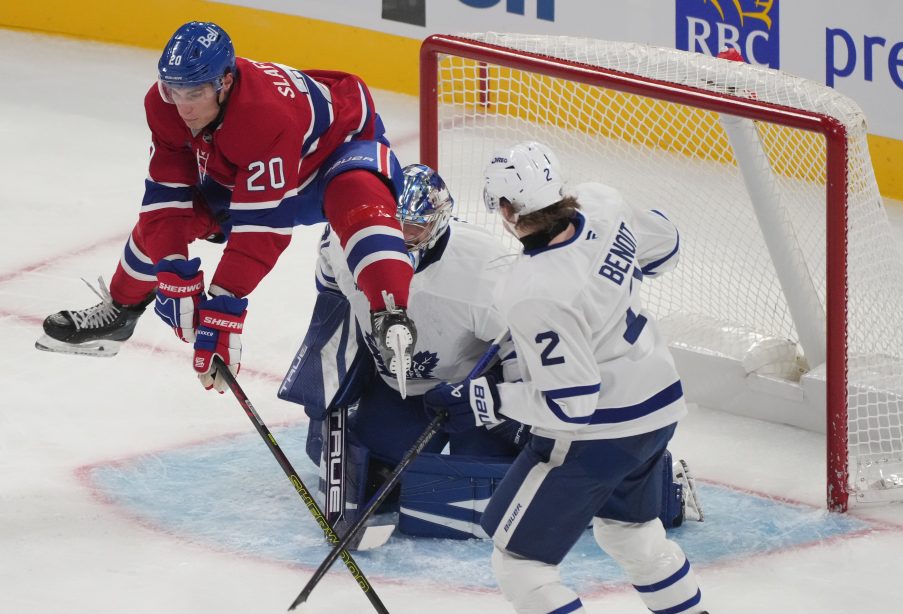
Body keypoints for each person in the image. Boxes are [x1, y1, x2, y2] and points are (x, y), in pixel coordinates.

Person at [35, 21, 416, 394]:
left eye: (195, 93)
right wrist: (172, 268)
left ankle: (391, 313)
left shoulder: (265, 115)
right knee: (168, 226)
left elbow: (263, 227)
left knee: (357, 192)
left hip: (332, 153)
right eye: (174, 91)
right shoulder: (164, 103)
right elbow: (166, 200)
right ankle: (120, 312)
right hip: (246, 159)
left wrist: (222, 307)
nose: (182, 107)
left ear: (225, 82)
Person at [424, 142, 708, 613]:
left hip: (600, 432)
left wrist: (493, 398)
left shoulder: (532, 290)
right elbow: (666, 249)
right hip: (658, 408)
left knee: (520, 564)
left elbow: (570, 405)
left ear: (508, 209)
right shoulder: (603, 202)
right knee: (633, 537)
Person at [279, 163, 528, 539]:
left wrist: (496, 401)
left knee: (486, 489)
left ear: (440, 223)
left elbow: (519, 345)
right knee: (374, 483)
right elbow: (332, 298)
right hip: (397, 384)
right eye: (390, 224)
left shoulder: (483, 266)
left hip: (467, 392)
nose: (399, 238)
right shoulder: (341, 240)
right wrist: (328, 365)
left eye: (413, 227)